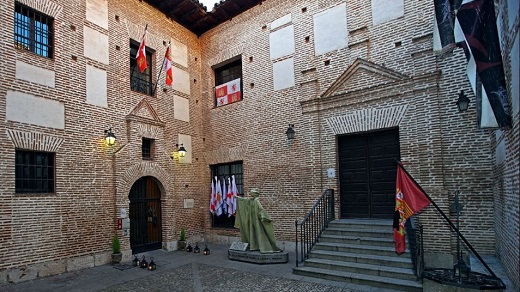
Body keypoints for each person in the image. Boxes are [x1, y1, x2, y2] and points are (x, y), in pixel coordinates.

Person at [234, 188, 281, 253]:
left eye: (251, 193)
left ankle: (263, 246)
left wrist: (263, 216)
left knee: (259, 232)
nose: (250, 194)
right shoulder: (252, 200)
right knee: (253, 232)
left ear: (254, 194)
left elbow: (261, 209)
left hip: (256, 219)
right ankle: (254, 246)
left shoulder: (256, 200)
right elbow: (245, 200)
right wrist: (237, 197)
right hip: (251, 219)